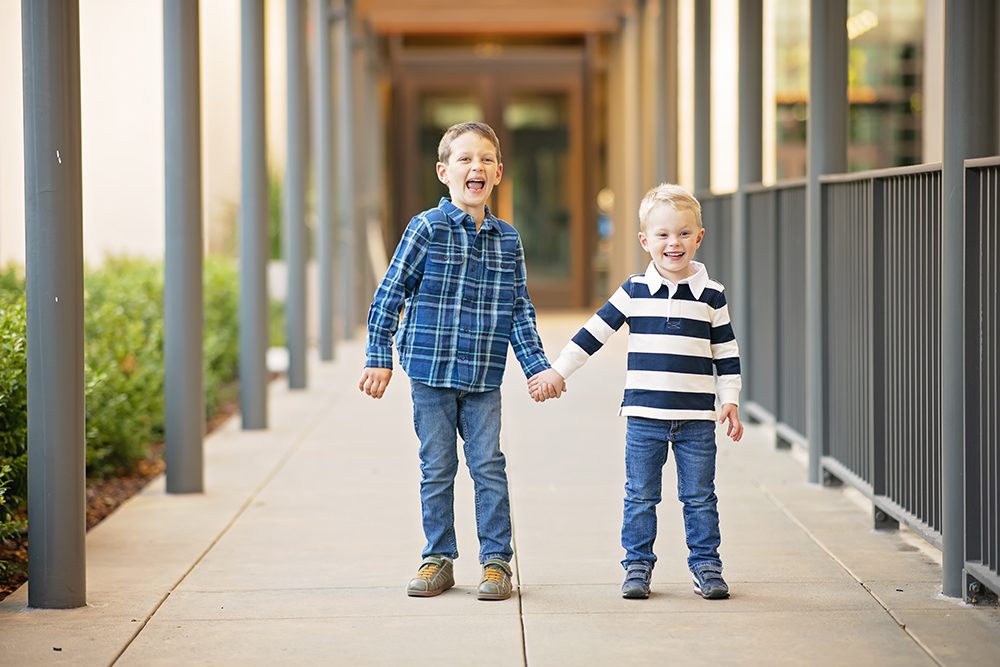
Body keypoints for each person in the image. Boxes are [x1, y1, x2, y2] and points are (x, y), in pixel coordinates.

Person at [359, 121, 557, 601]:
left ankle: (496, 563)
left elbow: (518, 310)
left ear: (499, 173)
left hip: (484, 374)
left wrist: (537, 368)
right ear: (443, 172)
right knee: (438, 465)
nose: (477, 166)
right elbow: (391, 292)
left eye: (486, 159)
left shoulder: (508, 240)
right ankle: (438, 559)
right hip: (429, 371)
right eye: (465, 159)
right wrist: (378, 355)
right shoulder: (425, 228)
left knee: (488, 464)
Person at [530, 182, 743, 600]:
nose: (673, 243)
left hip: (697, 419)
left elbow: (726, 352)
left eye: (683, 233)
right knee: (641, 496)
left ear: (698, 237)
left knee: (699, 497)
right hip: (644, 416)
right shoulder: (633, 291)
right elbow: (593, 333)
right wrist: (559, 372)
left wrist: (729, 400)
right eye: (663, 234)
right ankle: (637, 566)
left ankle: (706, 565)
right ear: (646, 241)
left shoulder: (711, 295)